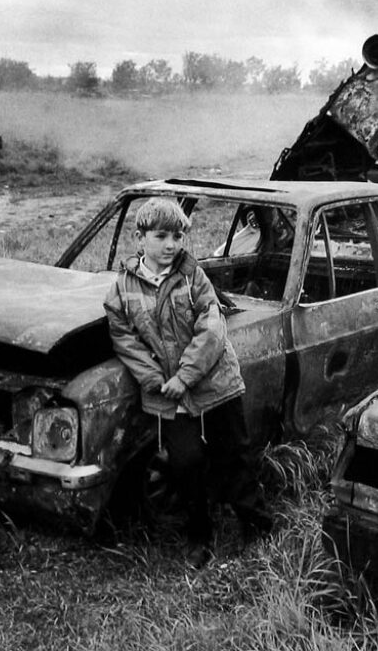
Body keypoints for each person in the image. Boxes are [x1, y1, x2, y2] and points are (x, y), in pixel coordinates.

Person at [103, 197, 272, 568]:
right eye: (161, 236)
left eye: (177, 236)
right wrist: (155, 379)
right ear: (139, 238)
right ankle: (199, 535)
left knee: (236, 455)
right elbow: (124, 339)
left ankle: (256, 527)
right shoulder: (121, 289)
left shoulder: (193, 275)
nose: (171, 244)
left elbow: (211, 329)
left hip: (216, 382)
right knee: (186, 462)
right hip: (169, 395)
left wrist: (185, 376)